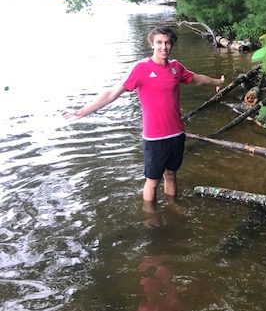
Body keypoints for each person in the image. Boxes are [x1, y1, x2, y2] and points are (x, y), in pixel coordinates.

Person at [63, 26, 224, 201]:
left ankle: (172, 207)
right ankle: (150, 218)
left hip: (177, 133)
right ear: (152, 45)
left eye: (167, 43)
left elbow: (198, 79)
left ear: (171, 45)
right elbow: (112, 93)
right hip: (154, 138)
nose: (164, 47)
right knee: (152, 181)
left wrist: (218, 81)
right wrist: (82, 111)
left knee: (171, 175)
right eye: (159, 43)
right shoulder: (140, 68)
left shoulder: (176, 68)